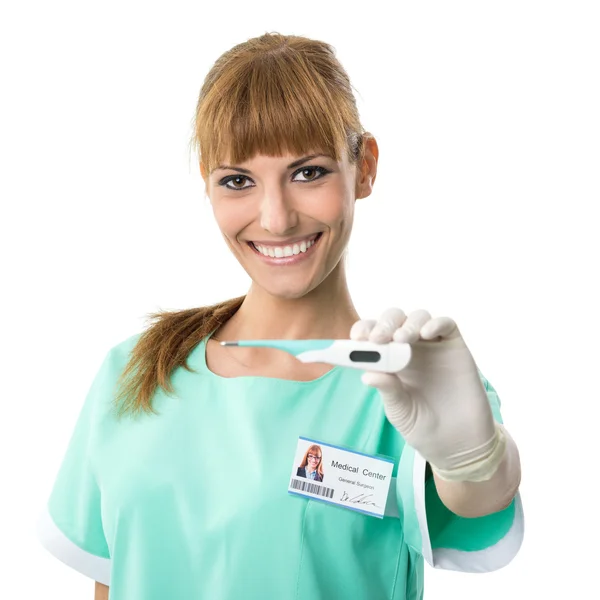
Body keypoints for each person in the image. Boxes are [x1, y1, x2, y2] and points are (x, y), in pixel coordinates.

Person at [36, 31, 524, 600]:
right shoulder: (134, 373)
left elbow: (477, 497)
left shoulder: (409, 389)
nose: (275, 218)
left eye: (308, 172)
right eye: (238, 181)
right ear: (208, 185)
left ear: (364, 167)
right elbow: (113, 581)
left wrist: (474, 458)